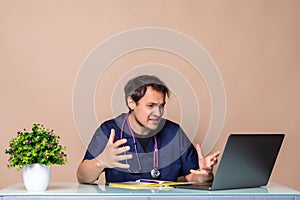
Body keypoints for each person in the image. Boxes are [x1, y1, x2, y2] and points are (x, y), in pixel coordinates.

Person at [77, 75, 220, 184]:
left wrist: (205, 174)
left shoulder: (173, 132)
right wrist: (100, 162)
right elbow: (83, 178)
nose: (158, 113)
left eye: (161, 106)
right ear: (132, 103)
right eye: (150, 106)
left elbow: (193, 177)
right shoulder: (110, 130)